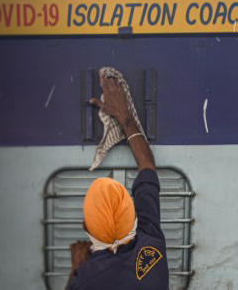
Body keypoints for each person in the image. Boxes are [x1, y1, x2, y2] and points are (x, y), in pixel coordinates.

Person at [65, 74, 168, 290]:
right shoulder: (151, 244)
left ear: (86, 227)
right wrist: (125, 117)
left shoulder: (85, 279)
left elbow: (148, 169)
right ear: (134, 219)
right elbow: (147, 167)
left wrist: (76, 268)